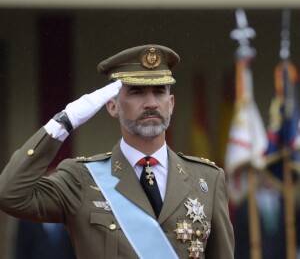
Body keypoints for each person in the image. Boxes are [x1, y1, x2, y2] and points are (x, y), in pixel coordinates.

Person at [0, 45, 234, 259]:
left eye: (159, 91)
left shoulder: (206, 180)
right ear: (112, 106)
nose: (151, 102)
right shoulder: (82, 179)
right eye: (137, 92)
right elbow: (10, 194)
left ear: (171, 103)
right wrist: (64, 121)